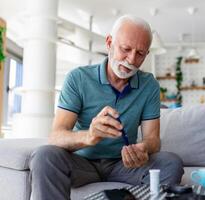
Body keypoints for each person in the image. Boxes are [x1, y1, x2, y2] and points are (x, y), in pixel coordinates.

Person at [29, 15, 184, 200]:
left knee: (171, 163)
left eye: (140, 53)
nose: (132, 60)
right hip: (82, 162)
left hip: (124, 165)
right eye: (125, 49)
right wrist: (89, 136)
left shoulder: (149, 85)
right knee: (44, 155)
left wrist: (143, 148)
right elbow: (56, 136)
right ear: (109, 42)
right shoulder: (78, 78)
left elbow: (153, 140)